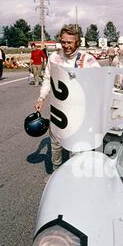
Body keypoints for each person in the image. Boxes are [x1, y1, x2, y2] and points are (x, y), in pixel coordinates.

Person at [35, 24, 100, 174]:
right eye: (63, 42)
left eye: (70, 42)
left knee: (76, 147)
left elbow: (100, 82)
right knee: (56, 145)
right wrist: (41, 98)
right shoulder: (54, 57)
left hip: (79, 113)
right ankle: (55, 173)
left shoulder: (87, 59)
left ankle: (73, 178)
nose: (66, 46)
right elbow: (47, 79)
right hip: (58, 110)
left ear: (77, 42)